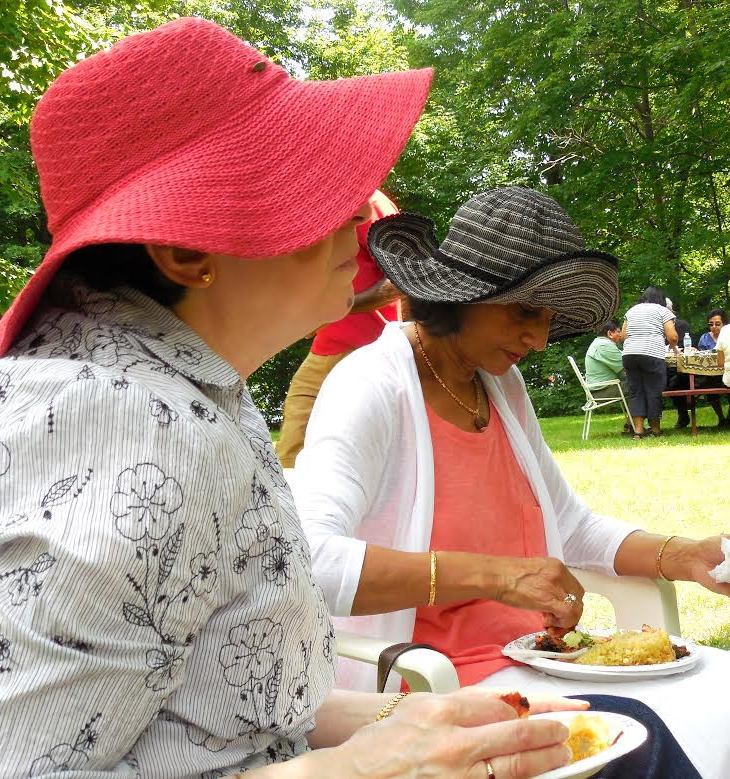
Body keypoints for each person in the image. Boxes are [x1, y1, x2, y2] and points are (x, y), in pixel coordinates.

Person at [0, 18, 588, 779]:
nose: (362, 218)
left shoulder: (190, 390)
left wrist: (410, 717)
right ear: (186, 253)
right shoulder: (132, 427)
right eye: (313, 184)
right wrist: (359, 768)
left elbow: (217, 709)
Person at [292, 187, 730, 776]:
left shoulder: (499, 385)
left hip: (538, 661)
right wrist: (496, 575)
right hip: (433, 684)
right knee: (642, 739)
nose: (539, 340)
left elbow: (571, 525)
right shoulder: (370, 384)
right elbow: (307, 561)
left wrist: (685, 556)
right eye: (525, 312)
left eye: (548, 320)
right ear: (461, 298)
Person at [277, 190, 400, 468]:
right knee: (291, 452)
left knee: (360, 454)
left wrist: (339, 308)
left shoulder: (370, 203)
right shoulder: (322, 202)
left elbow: (404, 277)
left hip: (371, 348)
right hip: (326, 349)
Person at [621, 286, 678, 438]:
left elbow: (623, 335)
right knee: (653, 391)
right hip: (652, 354)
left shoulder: (631, 311)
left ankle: (638, 431)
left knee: (636, 392)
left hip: (629, 354)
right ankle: (655, 430)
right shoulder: (662, 310)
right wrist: (674, 348)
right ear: (661, 299)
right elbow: (672, 337)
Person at [696, 308, 729, 426]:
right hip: (711, 374)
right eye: (711, 324)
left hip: (726, 373)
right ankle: (721, 418)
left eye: (717, 324)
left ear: (724, 324)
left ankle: (728, 418)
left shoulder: (727, 336)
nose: (714, 327)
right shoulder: (704, 338)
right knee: (708, 385)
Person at [663, 298, 691, 428]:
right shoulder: (655, 327)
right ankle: (683, 414)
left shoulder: (682, 325)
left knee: (677, 379)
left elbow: (688, 346)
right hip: (663, 366)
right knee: (669, 380)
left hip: (682, 366)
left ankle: (683, 414)